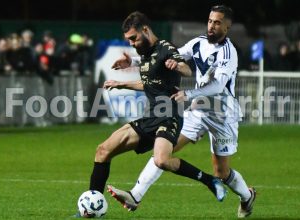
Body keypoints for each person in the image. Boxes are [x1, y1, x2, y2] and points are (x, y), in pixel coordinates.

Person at [107, 5, 256, 218]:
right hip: (198, 110)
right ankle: (135, 195)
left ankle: (247, 197)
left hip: (223, 114)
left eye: (217, 22)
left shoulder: (228, 52)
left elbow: (217, 86)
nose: (212, 26)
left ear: (227, 26)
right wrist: (133, 61)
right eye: (210, 21)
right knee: (164, 149)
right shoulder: (198, 43)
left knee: (221, 173)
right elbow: (169, 57)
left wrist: (188, 94)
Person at [85, 11, 227, 216]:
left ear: (145, 30)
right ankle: (92, 204)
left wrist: (178, 65)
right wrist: (121, 83)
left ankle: (209, 180)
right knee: (103, 150)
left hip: (169, 115)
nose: (132, 43)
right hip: (150, 116)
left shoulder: (165, 48)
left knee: (161, 160)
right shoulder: (144, 53)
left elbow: (187, 70)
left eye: (133, 38)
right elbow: (150, 84)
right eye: (128, 40)